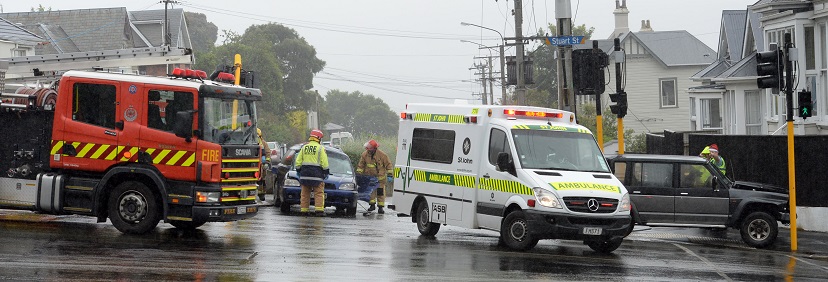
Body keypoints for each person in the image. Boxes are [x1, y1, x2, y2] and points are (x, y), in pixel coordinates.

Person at [295, 129, 329, 216]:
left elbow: (298, 161)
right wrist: (326, 172)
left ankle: (304, 211)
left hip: (305, 174)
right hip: (317, 175)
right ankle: (319, 211)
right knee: (318, 193)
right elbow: (324, 162)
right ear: (318, 138)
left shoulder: (304, 147)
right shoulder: (321, 148)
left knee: (305, 194)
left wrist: (299, 171)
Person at [356, 139, 393, 214]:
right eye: (368, 149)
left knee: (380, 193)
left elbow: (388, 165)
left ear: (374, 148)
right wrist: (358, 175)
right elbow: (361, 165)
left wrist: (390, 175)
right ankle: (372, 205)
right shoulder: (364, 155)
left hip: (380, 179)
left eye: (370, 149)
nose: (368, 150)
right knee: (371, 192)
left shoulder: (382, 155)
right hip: (370, 178)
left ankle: (380, 207)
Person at [256, 128, 272, 201]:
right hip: (254, 165)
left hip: (262, 165)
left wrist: (266, 162)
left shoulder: (263, 143)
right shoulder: (249, 143)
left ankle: (261, 195)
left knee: (262, 180)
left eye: (257, 136)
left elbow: (268, 153)